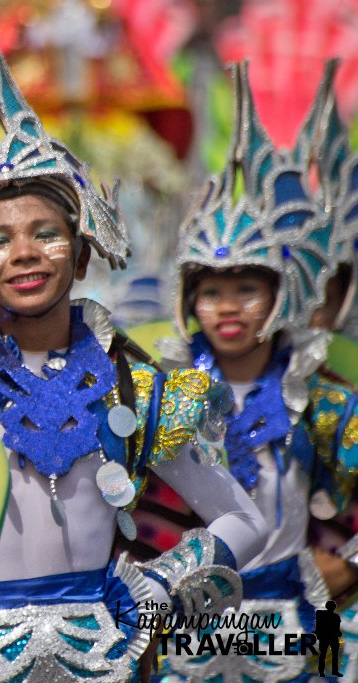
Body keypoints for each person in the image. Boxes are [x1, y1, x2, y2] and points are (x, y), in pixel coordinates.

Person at [0, 23, 269, 682]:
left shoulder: (130, 381)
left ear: (80, 252)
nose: (23, 252)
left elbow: (243, 519)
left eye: (45, 232)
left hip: (107, 659)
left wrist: (155, 591)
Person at [154, 62, 358, 683]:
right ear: (189, 300)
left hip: (303, 608)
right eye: (212, 291)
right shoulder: (163, 398)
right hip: (189, 619)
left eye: (247, 288)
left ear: (280, 295)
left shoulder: (319, 398)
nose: (229, 308)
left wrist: (348, 562)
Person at [316, 600, 343, 677]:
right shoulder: (322, 614)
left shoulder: (335, 616)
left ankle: (331, 671)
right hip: (326, 637)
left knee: (332, 655)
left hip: (331, 637)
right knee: (324, 654)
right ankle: (322, 671)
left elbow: (337, 629)